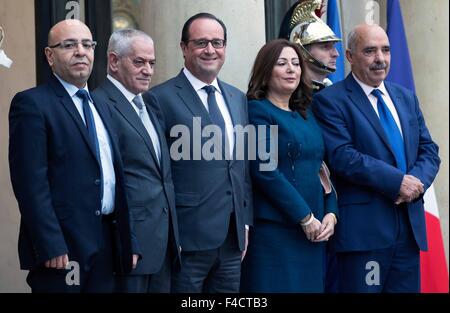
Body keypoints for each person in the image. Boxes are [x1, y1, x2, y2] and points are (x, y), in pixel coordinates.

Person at [8, 19, 139, 292]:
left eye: (87, 45)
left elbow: (119, 177)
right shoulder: (32, 104)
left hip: (107, 243)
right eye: (69, 45)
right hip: (62, 250)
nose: (81, 51)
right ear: (49, 55)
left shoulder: (103, 103)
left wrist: (130, 241)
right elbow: (31, 184)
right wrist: (50, 243)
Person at [312, 24, 440, 292]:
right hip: (364, 235)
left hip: (408, 230)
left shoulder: (405, 98)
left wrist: (414, 183)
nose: (380, 58)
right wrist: (397, 182)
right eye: (370, 51)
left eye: (386, 50)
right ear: (349, 56)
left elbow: (429, 150)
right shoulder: (330, 100)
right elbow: (342, 156)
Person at [145, 12, 253, 293]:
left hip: (231, 238)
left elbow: (240, 168)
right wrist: (170, 234)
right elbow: (158, 173)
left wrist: (244, 224)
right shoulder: (158, 98)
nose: (210, 50)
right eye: (201, 42)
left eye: (217, 42)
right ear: (184, 48)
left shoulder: (237, 97)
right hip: (186, 239)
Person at [240, 39, 338, 292]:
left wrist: (331, 212)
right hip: (276, 232)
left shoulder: (305, 113)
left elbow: (321, 167)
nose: (291, 69)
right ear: (266, 71)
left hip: (315, 232)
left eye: (296, 63)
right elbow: (264, 170)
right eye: (282, 63)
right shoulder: (258, 111)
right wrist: (304, 217)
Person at [92, 29, 181, 293]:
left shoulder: (150, 104)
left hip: (164, 242)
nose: (148, 70)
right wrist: (126, 241)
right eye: (139, 62)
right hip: (130, 247)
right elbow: (111, 179)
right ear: (114, 61)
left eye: (152, 63)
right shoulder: (99, 103)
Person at [279, 0, 341, 92]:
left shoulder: (333, 91)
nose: (336, 54)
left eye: (333, 46)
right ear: (301, 51)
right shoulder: (289, 95)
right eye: (325, 47)